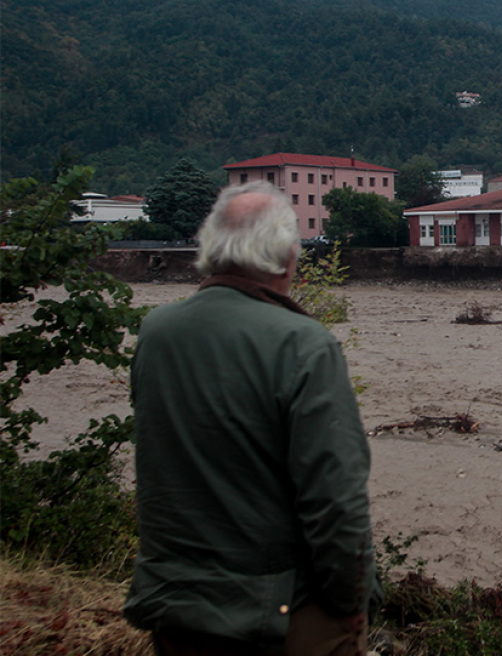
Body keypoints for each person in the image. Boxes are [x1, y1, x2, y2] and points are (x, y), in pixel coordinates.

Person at [124, 181, 381, 655]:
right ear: (287, 260)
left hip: (174, 605)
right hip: (278, 615)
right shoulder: (303, 344)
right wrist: (351, 602)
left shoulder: (156, 334)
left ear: (210, 251)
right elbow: (337, 503)